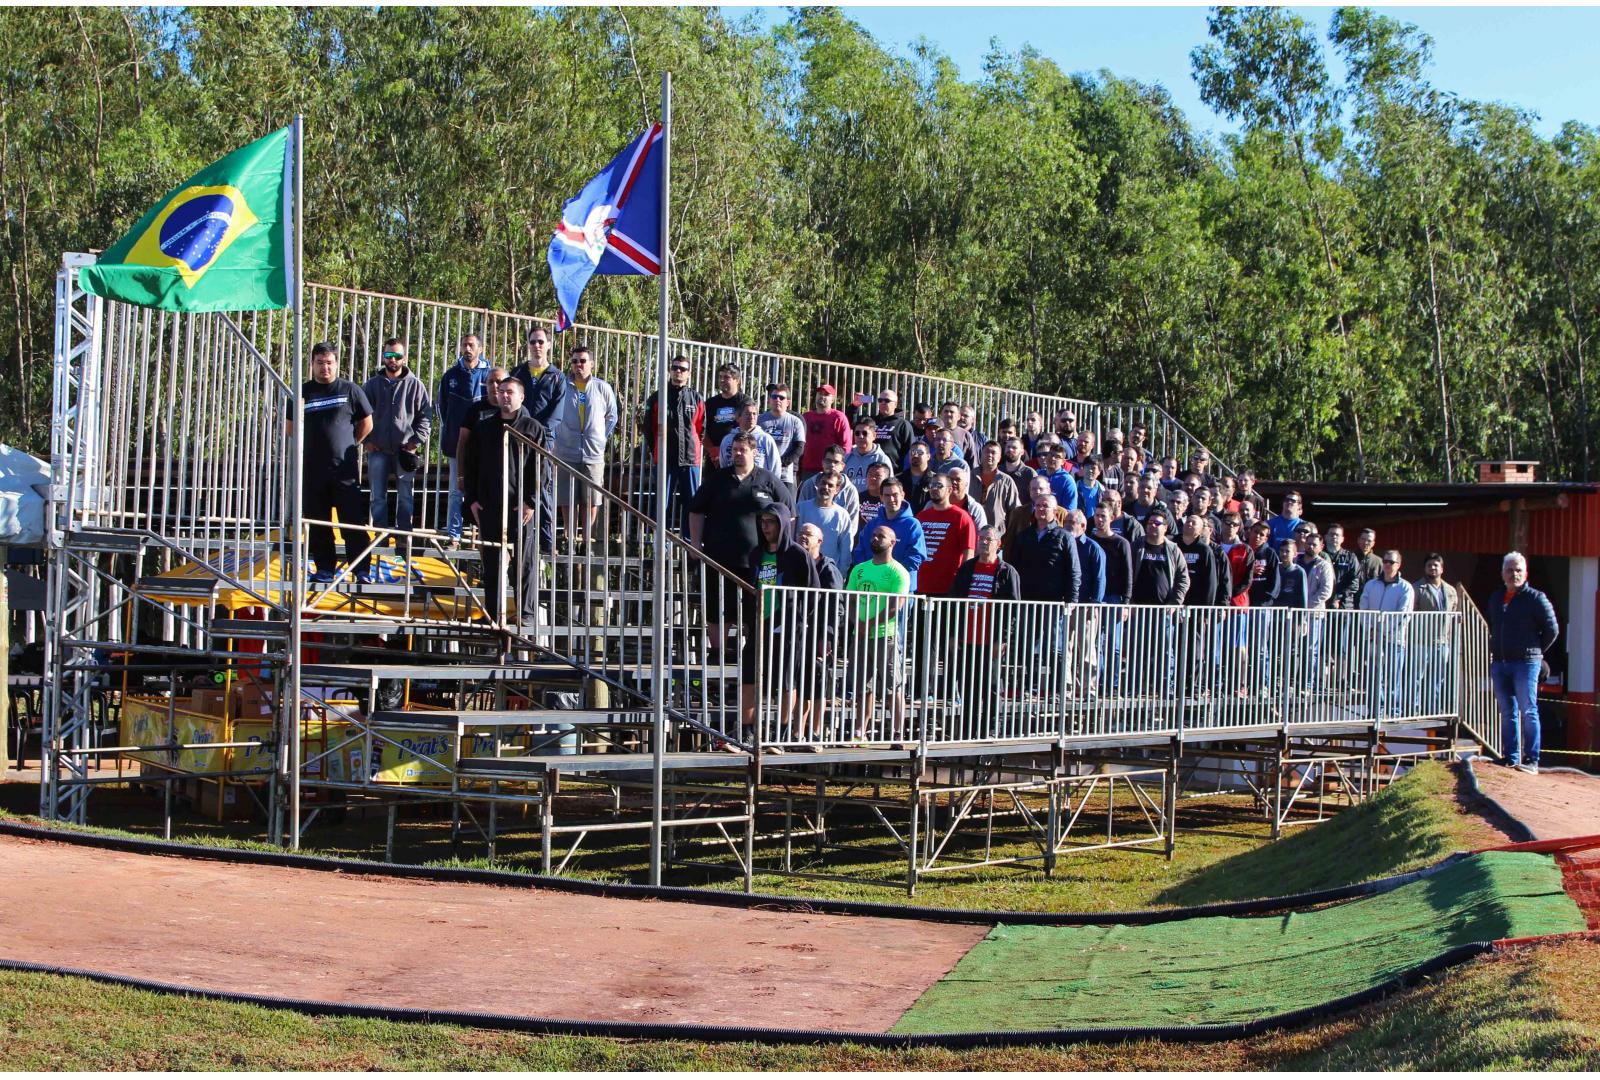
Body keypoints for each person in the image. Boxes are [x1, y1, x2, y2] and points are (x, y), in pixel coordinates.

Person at [689, 431, 794, 656]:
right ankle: (718, 651)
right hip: (717, 557)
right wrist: (696, 544)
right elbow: (696, 511)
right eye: (734, 450)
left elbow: (789, 514)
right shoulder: (717, 479)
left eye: (742, 450)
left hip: (757, 558)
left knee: (753, 607)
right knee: (717, 605)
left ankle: (752, 651)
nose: (737, 454)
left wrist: (779, 547)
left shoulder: (768, 480)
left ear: (754, 453)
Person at [463, 377, 547, 626]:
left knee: (525, 563)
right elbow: (472, 465)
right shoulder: (484, 428)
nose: (504, 396)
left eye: (510, 392)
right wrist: (472, 500)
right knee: (491, 563)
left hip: (520, 507)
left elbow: (541, 469)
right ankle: (492, 614)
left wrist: (530, 502)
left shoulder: (533, 428)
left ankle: (526, 614)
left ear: (521, 397)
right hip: (489, 505)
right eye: (501, 392)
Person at [290, 342, 375, 583]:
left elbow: (367, 423)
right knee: (319, 523)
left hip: (344, 471)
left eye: (329, 363)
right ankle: (325, 569)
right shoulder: (303, 392)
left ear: (336, 364)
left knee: (353, 522)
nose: (324, 367)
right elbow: (290, 428)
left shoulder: (350, 389)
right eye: (320, 363)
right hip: (312, 472)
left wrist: (350, 443)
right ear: (312, 364)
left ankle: (361, 570)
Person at [739, 504, 820, 748]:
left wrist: (798, 618)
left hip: (787, 627)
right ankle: (747, 733)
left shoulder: (797, 554)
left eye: (771, 522)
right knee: (750, 678)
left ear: (783, 524)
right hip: (759, 624)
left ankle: (782, 734)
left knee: (786, 681)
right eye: (762, 522)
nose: (765, 527)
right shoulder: (755, 554)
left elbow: (813, 592)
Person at [1489, 552, 1560, 774]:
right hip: (1501, 663)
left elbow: (1552, 629)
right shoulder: (1496, 598)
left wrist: (1536, 652)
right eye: (1510, 570)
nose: (1514, 574)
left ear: (1526, 573)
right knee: (1507, 711)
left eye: (1518, 570)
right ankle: (1510, 757)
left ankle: (1532, 760)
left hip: (1526, 663)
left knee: (1528, 709)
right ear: (1502, 573)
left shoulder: (1536, 598)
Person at [948, 525, 1022, 735]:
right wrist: (953, 634)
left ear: (998, 544)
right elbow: (954, 601)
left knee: (990, 686)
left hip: (991, 639)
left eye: (988, 539)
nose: (983, 542)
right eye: (981, 538)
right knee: (967, 684)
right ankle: (968, 728)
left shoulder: (1007, 572)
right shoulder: (967, 568)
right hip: (967, 638)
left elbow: (1013, 609)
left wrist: (1004, 638)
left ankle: (991, 727)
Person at [361, 337, 432, 548]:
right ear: (383, 357)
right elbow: (359, 414)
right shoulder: (371, 385)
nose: (393, 360)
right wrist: (366, 440)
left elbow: (425, 416)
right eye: (389, 355)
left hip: (405, 450)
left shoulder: (416, 385)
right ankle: (381, 536)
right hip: (378, 449)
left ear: (405, 358)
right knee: (377, 495)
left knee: (405, 495)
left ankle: (404, 537)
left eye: (397, 356)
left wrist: (415, 441)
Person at [845, 525, 911, 743]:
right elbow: (852, 600)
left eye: (881, 536)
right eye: (874, 535)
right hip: (861, 636)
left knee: (894, 685)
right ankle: (859, 731)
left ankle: (898, 732)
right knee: (863, 686)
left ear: (892, 542)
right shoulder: (859, 569)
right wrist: (858, 623)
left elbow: (896, 605)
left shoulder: (898, 571)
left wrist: (871, 623)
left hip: (887, 636)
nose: (875, 538)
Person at [549, 344, 619, 545]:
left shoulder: (602, 387)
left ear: (592, 364)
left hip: (593, 453)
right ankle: (569, 535)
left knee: (592, 497)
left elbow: (612, 416)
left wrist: (601, 438)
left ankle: (588, 537)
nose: (578, 365)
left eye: (582, 361)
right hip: (566, 450)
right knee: (566, 496)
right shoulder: (562, 385)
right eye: (574, 361)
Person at [436, 331, 493, 548]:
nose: (467, 349)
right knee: (455, 491)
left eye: (471, 345)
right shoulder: (450, 376)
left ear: (480, 348)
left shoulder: (489, 376)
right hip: (456, 444)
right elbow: (441, 407)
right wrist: (451, 430)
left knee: (484, 490)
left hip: (484, 445)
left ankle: (482, 535)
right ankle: (455, 536)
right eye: (464, 345)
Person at [642, 354, 705, 532]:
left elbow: (700, 428)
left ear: (689, 373)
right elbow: (649, 428)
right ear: (670, 371)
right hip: (664, 458)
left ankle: (688, 542)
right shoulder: (657, 397)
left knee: (692, 502)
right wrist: (657, 449)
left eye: (682, 369)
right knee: (663, 501)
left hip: (690, 459)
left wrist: (693, 447)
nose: (678, 371)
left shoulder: (696, 398)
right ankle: (661, 541)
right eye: (675, 368)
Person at [1360, 549, 1416, 716]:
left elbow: (1403, 614)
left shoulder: (1406, 587)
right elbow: (1363, 608)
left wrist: (1383, 632)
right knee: (1372, 675)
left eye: (1391, 562)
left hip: (1394, 640)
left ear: (1398, 565)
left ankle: (1393, 710)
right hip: (1372, 638)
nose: (1387, 565)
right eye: (1385, 561)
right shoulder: (1371, 584)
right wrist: (1371, 630)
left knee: (1393, 676)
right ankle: (1375, 709)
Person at [851, 478, 927, 591]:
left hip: (900, 590)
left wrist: (888, 573)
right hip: (871, 586)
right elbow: (859, 553)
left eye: (895, 494)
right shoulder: (872, 525)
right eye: (887, 495)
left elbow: (916, 556)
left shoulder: (913, 525)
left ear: (902, 495)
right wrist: (871, 572)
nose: (891, 499)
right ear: (881, 497)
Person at [1011, 494, 1082, 605]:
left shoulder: (1065, 537)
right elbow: (1014, 565)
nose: (1040, 508)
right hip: (1026, 599)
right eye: (1038, 505)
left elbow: (1074, 570)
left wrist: (1072, 600)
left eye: (1045, 505)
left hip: (1053, 601)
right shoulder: (1024, 535)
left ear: (1055, 511)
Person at [914, 472, 976, 597]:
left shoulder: (961, 517)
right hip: (921, 585)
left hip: (949, 588)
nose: (934, 488)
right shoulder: (921, 516)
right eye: (932, 485)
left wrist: (961, 581)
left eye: (939, 485)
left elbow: (968, 552)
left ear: (949, 490)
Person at [1412, 552, 1460, 714]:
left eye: (1436, 565)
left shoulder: (1451, 590)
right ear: (1425, 568)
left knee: (1437, 678)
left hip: (1442, 642)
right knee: (1417, 677)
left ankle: (1430, 709)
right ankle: (1413, 708)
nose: (1432, 568)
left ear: (1442, 569)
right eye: (1429, 565)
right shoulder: (1418, 588)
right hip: (1421, 641)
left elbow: (1454, 612)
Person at [796, 470, 855, 575]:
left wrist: (840, 574)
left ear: (837, 489)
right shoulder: (801, 508)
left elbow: (846, 549)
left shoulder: (842, 515)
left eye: (830, 485)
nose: (826, 487)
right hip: (801, 569)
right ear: (817, 484)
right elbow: (793, 538)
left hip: (828, 573)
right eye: (823, 483)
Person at [1130, 514, 1189, 606]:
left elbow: (1183, 578)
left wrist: (1174, 603)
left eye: (1157, 523)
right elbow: (1125, 575)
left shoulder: (1173, 549)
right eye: (1150, 523)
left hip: (1164, 610)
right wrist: (1130, 602)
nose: (1152, 525)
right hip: (1137, 609)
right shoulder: (1135, 547)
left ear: (1165, 528)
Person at [1004, 475, 1070, 554]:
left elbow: (1068, 542)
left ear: (1049, 490)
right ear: (1029, 491)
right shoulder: (1018, 513)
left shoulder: (1061, 513)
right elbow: (1009, 542)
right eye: (1034, 489)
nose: (1037, 492)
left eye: (1041, 489)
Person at [758, 382, 806, 490]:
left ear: (788, 402)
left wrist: (781, 463)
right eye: (774, 397)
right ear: (769, 399)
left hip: (785, 476)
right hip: (762, 474)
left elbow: (799, 448)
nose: (777, 400)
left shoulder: (796, 422)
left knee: (787, 506)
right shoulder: (759, 420)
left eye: (781, 397)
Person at [800, 383, 851, 483]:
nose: (822, 397)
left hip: (830, 470)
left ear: (832, 399)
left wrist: (838, 467)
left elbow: (846, 447)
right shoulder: (806, 417)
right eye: (819, 393)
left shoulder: (839, 417)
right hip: (807, 470)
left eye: (826, 395)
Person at [797, 444, 860, 524]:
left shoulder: (850, 490)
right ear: (823, 463)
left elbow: (852, 524)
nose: (832, 465)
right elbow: (800, 515)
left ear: (842, 466)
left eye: (836, 462)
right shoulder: (809, 485)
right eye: (828, 461)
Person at [703, 363, 748, 469]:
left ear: (737, 380)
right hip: (713, 459)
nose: (722, 380)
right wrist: (712, 450)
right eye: (720, 377)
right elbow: (702, 429)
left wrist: (728, 449)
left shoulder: (745, 402)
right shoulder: (710, 403)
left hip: (736, 456)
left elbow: (748, 429)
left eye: (726, 377)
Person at [720, 400, 782, 477]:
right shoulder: (727, 440)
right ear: (738, 418)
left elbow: (775, 467)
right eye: (747, 414)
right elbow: (723, 464)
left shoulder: (766, 439)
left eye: (754, 414)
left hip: (759, 486)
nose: (751, 417)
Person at [974, 441, 1022, 533]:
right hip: (972, 531)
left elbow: (1015, 510)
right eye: (987, 451)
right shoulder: (969, 476)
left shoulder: (1006, 481)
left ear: (999, 458)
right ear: (981, 454)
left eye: (993, 453)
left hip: (997, 535)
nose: (989, 455)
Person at [843, 420, 895, 493]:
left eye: (865, 433)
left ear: (874, 436)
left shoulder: (882, 459)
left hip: (871, 503)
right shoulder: (846, 457)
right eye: (857, 433)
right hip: (848, 502)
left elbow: (889, 486)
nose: (861, 436)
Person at [870, 388, 916, 467]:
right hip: (870, 469)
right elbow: (853, 425)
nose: (883, 403)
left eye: (887, 401)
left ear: (895, 404)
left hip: (894, 472)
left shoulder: (903, 424)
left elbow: (910, 450)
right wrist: (855, 407)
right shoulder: (871, 422)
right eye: (880, 400)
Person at [1324, 523, 1363, 610]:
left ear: (1342, 539)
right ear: (1326, 537)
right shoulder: (1320, 556)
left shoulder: (1350, 557)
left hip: (1344, 605)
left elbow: (1355, 582)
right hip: (1322, 604)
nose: (1334, 537)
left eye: (1337, 535)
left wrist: (1338, 598)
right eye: (1331, 534)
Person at [1034, 443, 1079, 512]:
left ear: (1063, 462)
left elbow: (1070, 509)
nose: (1052, 458)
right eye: (1051, 454)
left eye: (1057, 457)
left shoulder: (1067, 480)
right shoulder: (1038, 474)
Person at [898, 440, 934, 512]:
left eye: (920, 453)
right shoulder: (898, 480)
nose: (915, 455)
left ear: (928, 456)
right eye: (912, 452)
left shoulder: (935, 480)